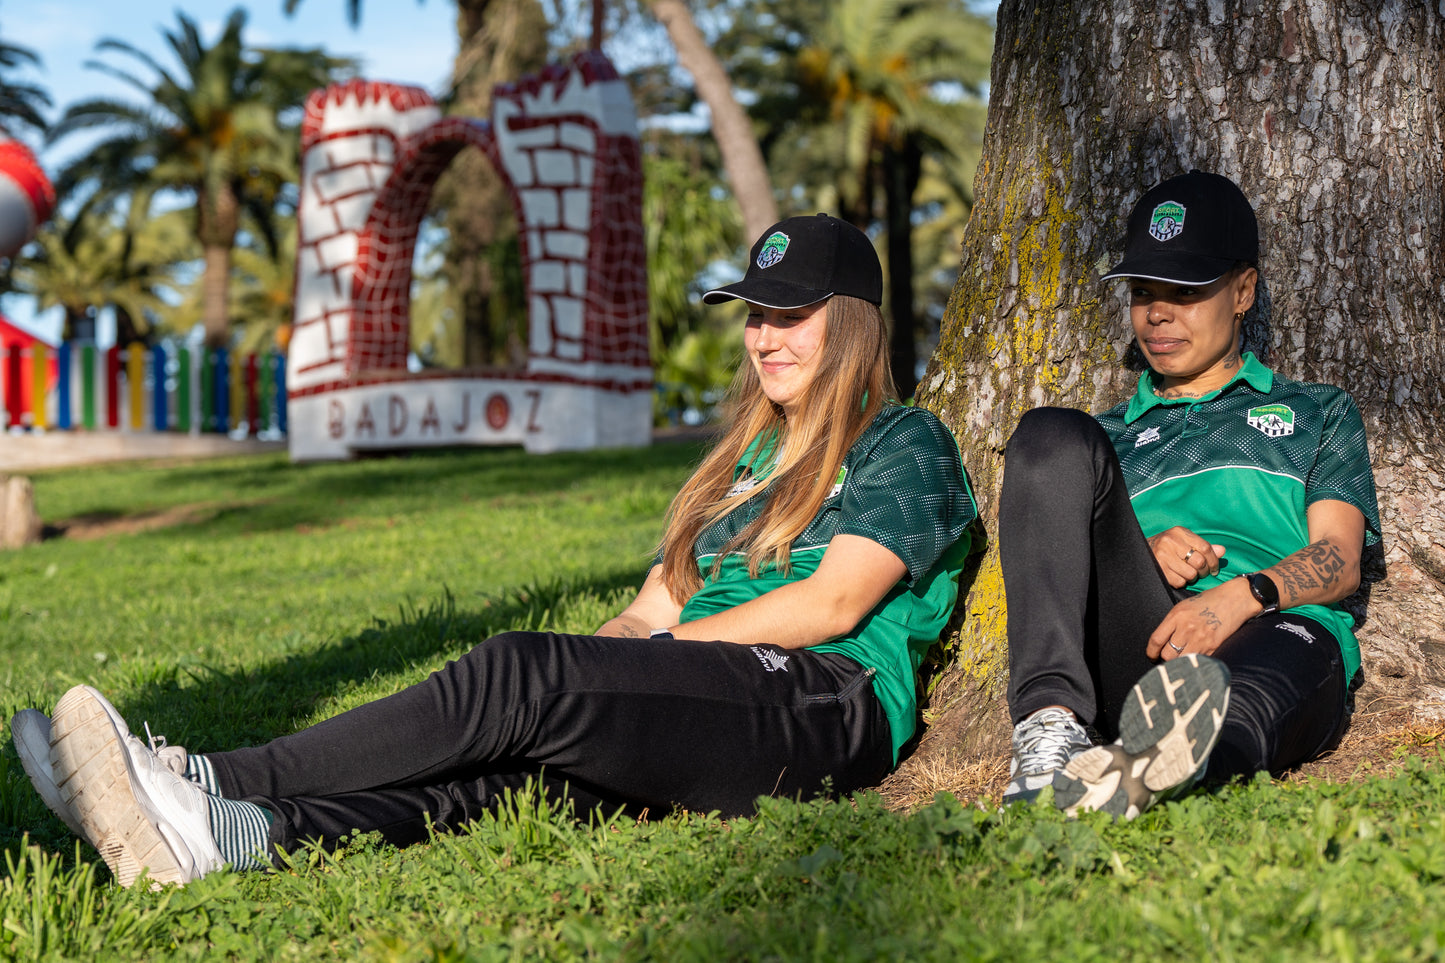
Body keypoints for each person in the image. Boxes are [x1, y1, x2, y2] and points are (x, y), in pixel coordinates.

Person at [13, 213, 977, 888]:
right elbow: (653, 606)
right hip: (726, 684)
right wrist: (622, 652)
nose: (764, 338)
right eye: (755, 316)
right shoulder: (744, 460)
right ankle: (227, 837)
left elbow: (835, 603)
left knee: (524, 671)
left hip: (827, 698)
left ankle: (208, 779)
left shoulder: (904, 440)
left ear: (848, 322)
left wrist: (653, 657)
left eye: (789, 315)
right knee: (521, 766)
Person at [999, 170, 1380, 819]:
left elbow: (1338, 559)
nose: (1156, 313)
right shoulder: (1103, 438)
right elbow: (1067, 571)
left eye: (1185, 290)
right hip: (1143, 642)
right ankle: (1047, 739)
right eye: (1143, 292)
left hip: (1276, 626)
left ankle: (1160, 778)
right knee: (1047, 430)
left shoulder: (1314, 411)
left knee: (1240, 705)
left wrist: (1240, 595)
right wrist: (1140, 554)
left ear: (1242, 290)